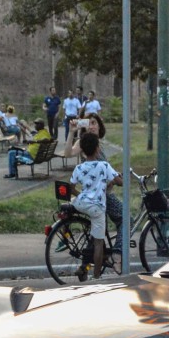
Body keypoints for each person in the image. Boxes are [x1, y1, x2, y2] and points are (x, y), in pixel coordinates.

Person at [70, 132, 123, 279]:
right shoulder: (104, 166)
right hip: (96, 207)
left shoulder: (78, 168)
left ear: (82, 149)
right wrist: (120, 177)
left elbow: (71, 187)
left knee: (74, 205)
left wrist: (81, 195)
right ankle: (96, 277)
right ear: (98, 149)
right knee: (99, 243)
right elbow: (120, 182)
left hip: (81, 203)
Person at [68, 112, 124, 240]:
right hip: (100, 196)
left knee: (99, 232)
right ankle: (117, 254)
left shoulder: (100, 145)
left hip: (100, 193)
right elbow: (68, 153)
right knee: (126, 220)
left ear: (100, 126)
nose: (91, 127)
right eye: (88, 123)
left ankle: (98, 254)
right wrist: (72, 132)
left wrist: (113, 178)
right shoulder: (84, 143)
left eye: (94, 123)